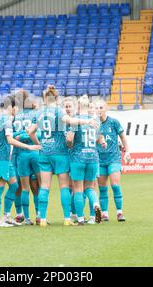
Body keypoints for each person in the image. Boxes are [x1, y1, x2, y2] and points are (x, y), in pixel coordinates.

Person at [28, 85, 98, 227]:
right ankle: (66, 218)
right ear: (57, 98)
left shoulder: (39, 113)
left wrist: (39, 144)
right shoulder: (58, 111)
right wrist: (87, 121)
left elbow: (30, 131)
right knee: (64, 187)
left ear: (44, 98)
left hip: (44, 154)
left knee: (44, 187)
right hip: (60, 153)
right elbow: (71, 121)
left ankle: (42, 219)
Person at [0, 95, 41, 227]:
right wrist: (29, 146)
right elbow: (10, 140)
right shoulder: (6, 119)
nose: (17, 110)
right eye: (16, 107)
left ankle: (6, 216)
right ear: (10, 107)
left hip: (5, 159)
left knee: (14, 186)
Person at [67, 95, 106, 225]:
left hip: (78, 158)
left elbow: (69, 139)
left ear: (78, 107)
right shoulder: (96, 121)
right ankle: (96, 205)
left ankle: (80, 218)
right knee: (90, 187)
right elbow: (98, 138)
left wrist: (70, 145)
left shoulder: (75, 121)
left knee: (78, 189)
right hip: (93, 157)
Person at [96, 100, 131, 222]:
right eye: (96, 108)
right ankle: (104, 213)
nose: (98, 110)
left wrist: (127, 152)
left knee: (115, 185)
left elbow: (123, 137)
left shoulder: (114, 122)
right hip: (100, 160)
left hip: (114, 159)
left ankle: (119, 212)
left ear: (105, 109)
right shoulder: (93, 124)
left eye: (101, 107)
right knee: (102, 188)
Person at [12, 90, 41, 225]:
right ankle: (39, 214)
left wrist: (21, 136)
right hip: (34, 151)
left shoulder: (15, 115)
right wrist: (27, 135)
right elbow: (39, 134)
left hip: (20, 154)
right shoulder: (35, 113)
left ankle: (24, 216)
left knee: (21, 187)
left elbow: (12, 136)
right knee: (37, 186)